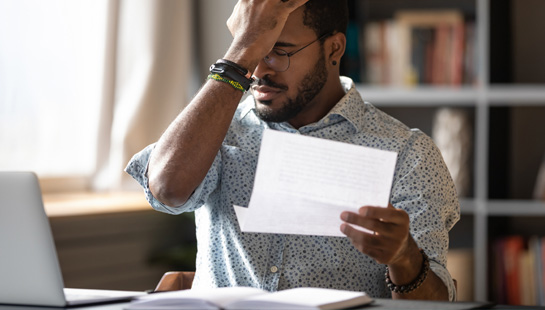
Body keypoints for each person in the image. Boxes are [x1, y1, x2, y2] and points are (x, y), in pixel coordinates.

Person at [126, 0, 460, 301]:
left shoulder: (408, 154)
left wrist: (404, 258)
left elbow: (434, 304)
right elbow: (167, 189)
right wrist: (240, 52)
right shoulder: (219, 131)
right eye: (252, 51)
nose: (258, 72)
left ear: (333, 49)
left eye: (278, 51)